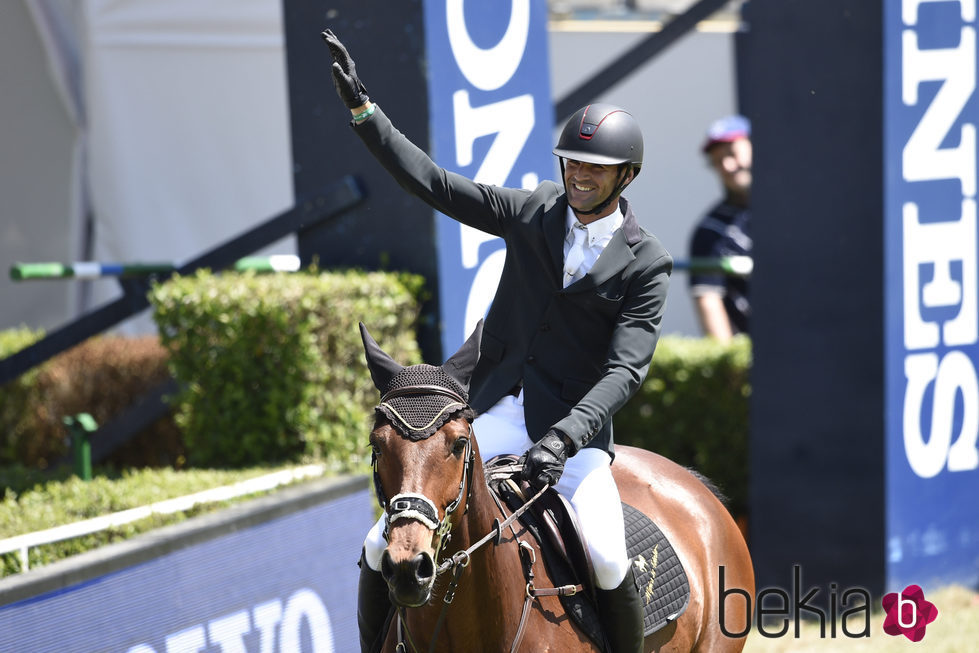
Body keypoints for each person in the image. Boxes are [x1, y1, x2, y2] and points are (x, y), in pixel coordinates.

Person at [322, 29, 672, 653]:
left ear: (627, 174)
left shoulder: (647, 263)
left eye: (596, 167)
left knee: (608, 555)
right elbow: (433, 182)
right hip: (488, 416)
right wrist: (364, 113)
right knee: (381, 544)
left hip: (575, 438)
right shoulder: (533, 210)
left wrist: (565, 437)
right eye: (573, 163)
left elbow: (624, 373)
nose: (581, 176)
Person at [688, 114, 752, 342]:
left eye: (732, 153)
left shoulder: (795, 211)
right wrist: (731, 369)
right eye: (717, 160)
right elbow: (708, 300)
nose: (727, 166)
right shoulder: (710, 232)